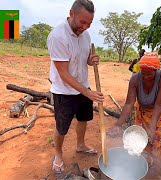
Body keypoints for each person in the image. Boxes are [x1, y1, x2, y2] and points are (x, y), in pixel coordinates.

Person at [47, 0, 104, 174]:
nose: (85, 27)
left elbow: (83, 59)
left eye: (89, 23)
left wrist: (90, 60)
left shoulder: (86, 35)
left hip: (83, 87)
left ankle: (80, 145)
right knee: (62, 126)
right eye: (82, 22)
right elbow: (64, 74)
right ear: (71, 13)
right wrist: (88, 92)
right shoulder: (58, 36)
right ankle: (58, 153)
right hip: (64, 91)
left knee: (83, 119)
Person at [109, 52, 161, 156]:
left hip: (157, 109)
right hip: (141, 108)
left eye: (149, 73)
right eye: (143, 73)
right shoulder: (135, 79)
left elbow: (158, 105)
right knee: (140, 133)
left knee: (154, 135)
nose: (145, 76)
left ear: (156, 71)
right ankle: (141, 155)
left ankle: (153, 158)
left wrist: (152, 126)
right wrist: (118, 125)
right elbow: (129, 103)